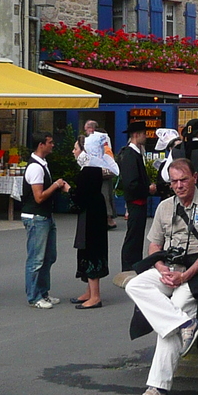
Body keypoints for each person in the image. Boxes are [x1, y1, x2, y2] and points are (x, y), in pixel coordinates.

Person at [126, 158, 198, 395]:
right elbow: (154, 244)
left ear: (195, 177)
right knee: (135, 285)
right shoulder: (164, 207)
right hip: (169, 267)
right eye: (174, 181)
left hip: (196, 271)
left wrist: (185, 276)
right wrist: (161, 269)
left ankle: (157, 387)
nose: (179, 185)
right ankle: (186, 324)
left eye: (184, 180)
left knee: (178, 307)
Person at [22, 133, 70, 309]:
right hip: (36, 216)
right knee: (36, 259)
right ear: (41, 145)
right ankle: (34, 297)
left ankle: (43, 292)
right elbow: (39, 197)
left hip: (45, 216)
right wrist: (56, 185)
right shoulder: (35, 167)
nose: (53, 145)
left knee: (49, 257)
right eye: (50, 143)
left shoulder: (42, 164)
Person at [116, 122, 155, 271]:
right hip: (135, 201)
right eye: (144, 133)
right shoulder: (130, 155)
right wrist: (147, 188)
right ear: (136, 135)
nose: (146, 136)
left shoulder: (134, 154)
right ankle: (129, 265)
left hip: (139, 201)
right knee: (133, 235)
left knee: (137, 235)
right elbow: (131, 183)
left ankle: (134, 263)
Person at [72, 163, 109, 309]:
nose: (74, 152)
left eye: (76, 148)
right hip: (93, 214)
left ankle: (95, 297)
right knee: (87, 251)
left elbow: (81, 197)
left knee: (91, 252)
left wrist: (69, 190)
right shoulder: (92, 169)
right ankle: (90, 292)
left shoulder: (89, 169)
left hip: (91, 217)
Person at [80, 119, 119, 229]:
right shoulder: (103, 137)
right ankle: (108, 218)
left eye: (86, 129)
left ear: (91, 129)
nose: (86, 132)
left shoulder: (99, 139)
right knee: (106, 194)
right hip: (103, 170)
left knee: (104, 194)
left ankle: (108, 219)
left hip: (101, 170)